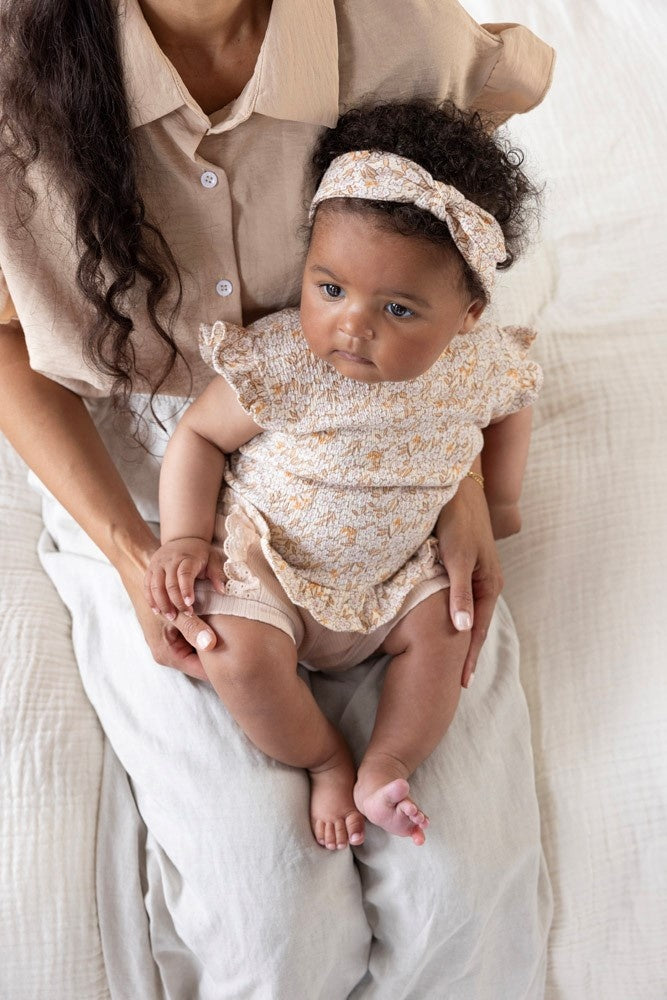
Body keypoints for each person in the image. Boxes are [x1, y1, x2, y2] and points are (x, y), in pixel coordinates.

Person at [0, 1, 554, 996]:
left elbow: (439, 262)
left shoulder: (398, 30)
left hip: (392, 439)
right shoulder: (14, 56)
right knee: (267, 923)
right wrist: (138, 553)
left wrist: (462, 475)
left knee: (464, 903)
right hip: (150, 457)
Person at [145, 101, 543, 852]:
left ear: (466, 315)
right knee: (234, 654)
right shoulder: (288, 362)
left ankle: (386, 763)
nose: (351, 325)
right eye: (329, 289)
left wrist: (498, 497)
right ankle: (325, 756)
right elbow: (198, 434)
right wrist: (186, 535)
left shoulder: (474, 366)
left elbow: (516, 398)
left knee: (447, 634)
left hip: (397, 577)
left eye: (397, 308)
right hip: (271, 564)